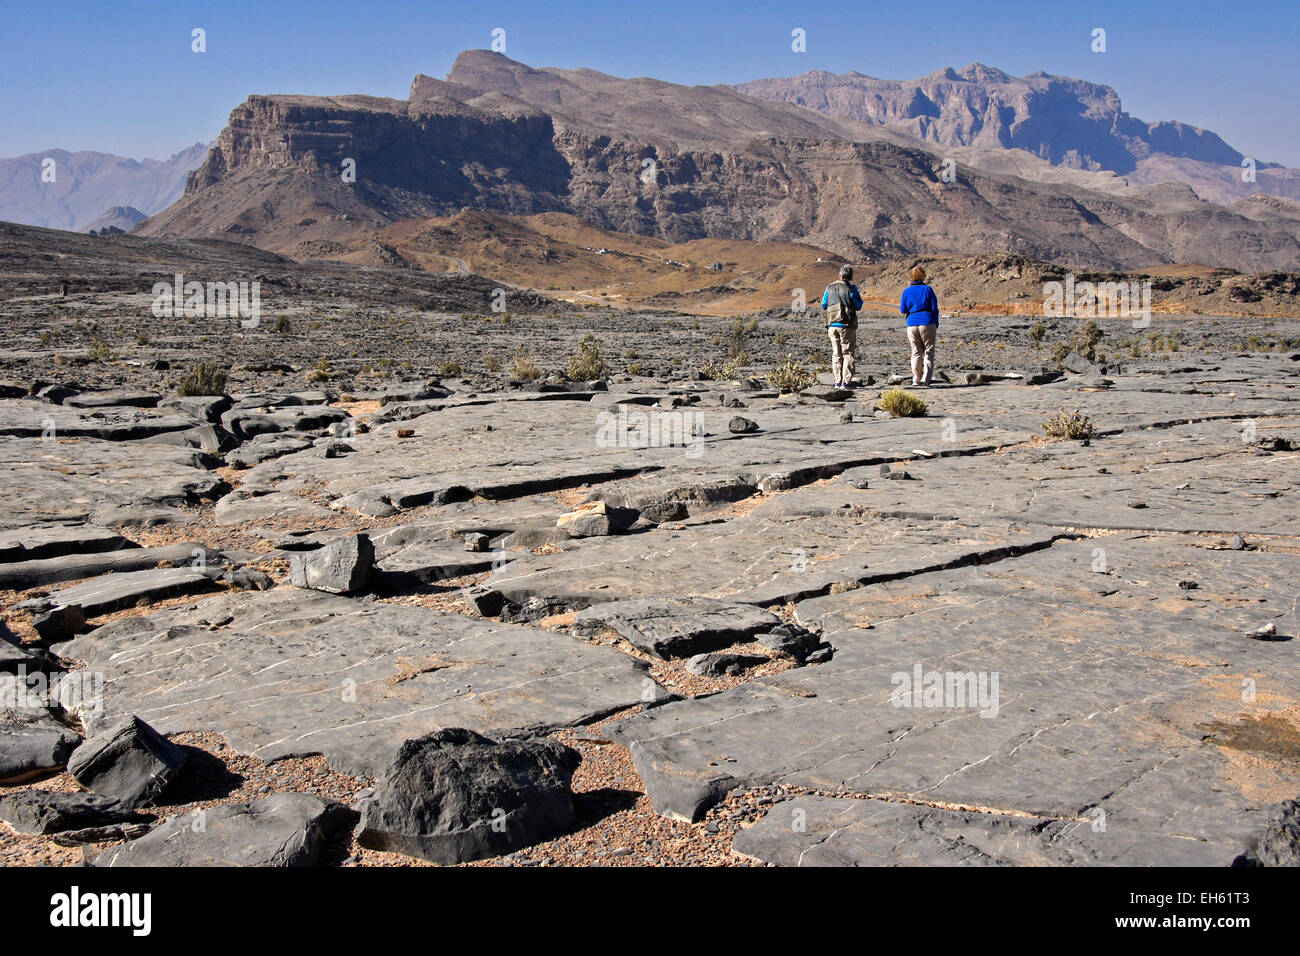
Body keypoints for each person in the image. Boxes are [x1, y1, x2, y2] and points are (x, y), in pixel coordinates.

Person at [821, 265, 863, 388]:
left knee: (836, 353)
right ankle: (846, 381)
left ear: (839, 275)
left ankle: (837, 381)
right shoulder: (851, 288)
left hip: (832, 324)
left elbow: (824, 304)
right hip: (847, 324)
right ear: (850, 276)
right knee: (848, 353)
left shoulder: (829, 287)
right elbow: (858, 304)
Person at [899, 265, 939, 386]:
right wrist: (935, 323)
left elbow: (902, 309)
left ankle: (916, 379)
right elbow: (934, 308)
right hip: (927, 321)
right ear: (923, 276)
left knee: (916, 351)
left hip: (912, 322)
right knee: (929, 351)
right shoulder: (928, 290)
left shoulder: (906, 291)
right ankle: (925, 379)